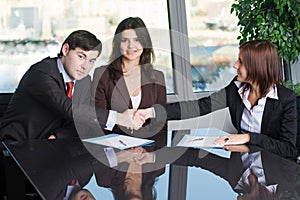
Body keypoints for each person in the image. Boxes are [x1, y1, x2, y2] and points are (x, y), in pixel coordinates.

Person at [137, 39, 297, 158]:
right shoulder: (236, 89)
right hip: (242, 162)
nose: (235, 65)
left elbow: (289, 149)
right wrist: (151, 112)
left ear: (257, 67)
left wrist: (248, 137)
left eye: (240, 62)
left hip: (275, 174)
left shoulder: (285, 99)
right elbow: (198, 107)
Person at [0, 30, 143, 143]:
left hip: (49, 145)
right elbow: (70, 109)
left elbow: (85, 121)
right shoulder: (41, 73)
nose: (85, 66)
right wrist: (118, 118)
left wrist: (58, 136)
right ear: (65, 49)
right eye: (81, 57)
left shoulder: (84, 80)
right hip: (16, 146)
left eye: (91, 61)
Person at [92, 17, 167, 149]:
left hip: (147, 152)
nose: (131, 46)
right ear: (117, 44)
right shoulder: (102, 75)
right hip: (113, 153)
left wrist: (151, 155)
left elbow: (161, 121)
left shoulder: (157, 77)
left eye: (137, 40)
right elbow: (98, 118)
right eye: (124, 40)